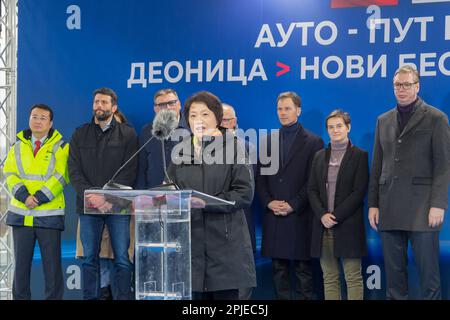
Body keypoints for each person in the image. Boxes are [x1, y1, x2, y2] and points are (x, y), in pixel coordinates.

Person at [368, 65, 450, 300]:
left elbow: (444, 165)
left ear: (417, 86)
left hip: (423, 209)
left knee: (429, 278)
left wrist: (438, 204)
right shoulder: (383, 120)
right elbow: (377, 165)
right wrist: (373, 204)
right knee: (394, 279)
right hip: (390, 207)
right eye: (397, 85)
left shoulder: (436, 118)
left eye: (406, 84)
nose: (401, 89)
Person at [167, 91, 256, 300]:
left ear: (217, 117)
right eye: (193, 115)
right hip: (190, 250)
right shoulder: (180, 151)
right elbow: (170, 188)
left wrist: (205, 203)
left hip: (225, 247)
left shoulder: (235, 147)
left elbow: (244, 193)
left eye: (205, 114)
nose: (199, 120)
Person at [68, 88, 138, 300]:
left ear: (113, 107)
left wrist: (107, 198)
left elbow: (130, 171)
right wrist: (92, 197)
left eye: (104, 102)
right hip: (88, 207)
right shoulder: (80, 133)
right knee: (89, 259)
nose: (99, 106)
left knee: (122, 259)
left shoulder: (128, 134)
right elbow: (74, 170)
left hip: (119, 207)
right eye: (97, 102)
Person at [256, 91, 323, 300]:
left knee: (304, 271)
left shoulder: (314, 142)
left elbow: (314, 181)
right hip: (274, 216)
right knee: (279, 270)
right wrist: (268, 202)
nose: (283, 113)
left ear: (298, 110)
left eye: (287, 108)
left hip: (300, 216)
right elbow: (260, 179)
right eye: (279, 109)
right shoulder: (268, 141)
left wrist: (294, 204)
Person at [3, 104, 69, 299]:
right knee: (21, 268)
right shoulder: (17, 146)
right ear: (29, 119)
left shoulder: (61, 146)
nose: (37, 121)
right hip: (21, 216)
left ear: (50, 123)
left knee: (52, 269)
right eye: (34, 116)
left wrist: (39, 198)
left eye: (42, 118)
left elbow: (62, 176)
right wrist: (24, 196)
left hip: (49, 216)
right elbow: (10, 174)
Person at [307, 110, 369, 300]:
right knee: (330, 277)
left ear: (348, 127)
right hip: (323, 227)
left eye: (339, 126)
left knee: (352, 277)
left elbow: (359, 192)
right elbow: (312, 190)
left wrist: (335, 216)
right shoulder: (319, 156)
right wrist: (322, 215)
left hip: (348, 225)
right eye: (331, 127)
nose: (335, 130)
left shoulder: (359, 155)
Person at [221, 103, 256, 300]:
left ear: (234, 122)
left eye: (227, 120)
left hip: (239, 217)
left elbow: (248, 189)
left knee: (241, 278)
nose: (223, 124)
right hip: (214, 223)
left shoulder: (247, 148)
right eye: (220, 120)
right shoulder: (202, 149)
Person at [136, 88, 189, 189]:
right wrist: (140, 194)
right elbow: (141, 167)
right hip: (154, 193)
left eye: (172, 103)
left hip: (184, 194)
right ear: (155, 109)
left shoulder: (192, 129)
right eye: (162, 105)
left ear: (179, 104)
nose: (168, 108)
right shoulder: (147, 131)